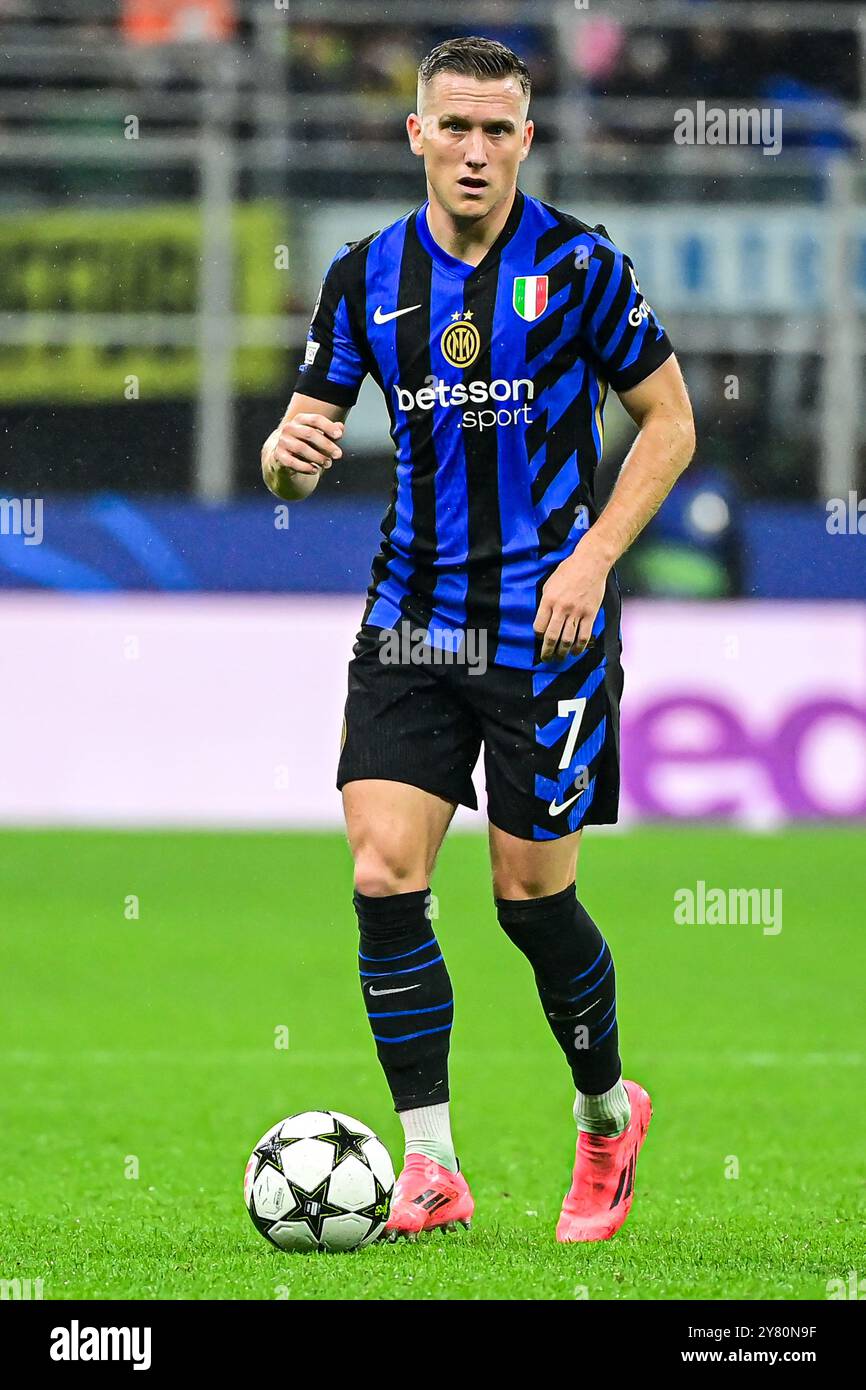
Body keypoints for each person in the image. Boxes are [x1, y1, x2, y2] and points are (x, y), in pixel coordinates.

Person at [261, 35, 695, 1243]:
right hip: (411, 617)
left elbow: (667, 424)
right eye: (452, 126)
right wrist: (282, 463)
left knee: (527, 900)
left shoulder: (578, 267)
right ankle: (431, 1163)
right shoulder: (362, 277)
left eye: (496, 129)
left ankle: (607, 1117)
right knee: (382, 872)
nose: (473, 149)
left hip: (543, 626)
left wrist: (595, 555)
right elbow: (301, 437)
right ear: (414, 135)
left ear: (525, 141)